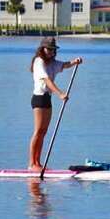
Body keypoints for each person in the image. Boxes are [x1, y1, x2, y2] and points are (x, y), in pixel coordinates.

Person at [28, 37, 82, 171]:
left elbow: (64, 65)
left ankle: (38, 163)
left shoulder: (52, 63)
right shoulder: (39, 61)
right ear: (42, 49)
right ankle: (31, 164)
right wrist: (60, 93)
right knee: (38, 131)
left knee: (44, 132)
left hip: (47, 98)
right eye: (49, 49)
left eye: (53, 49)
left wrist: (75, 62)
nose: (51, 52)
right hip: (39, 98)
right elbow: (47, 80)